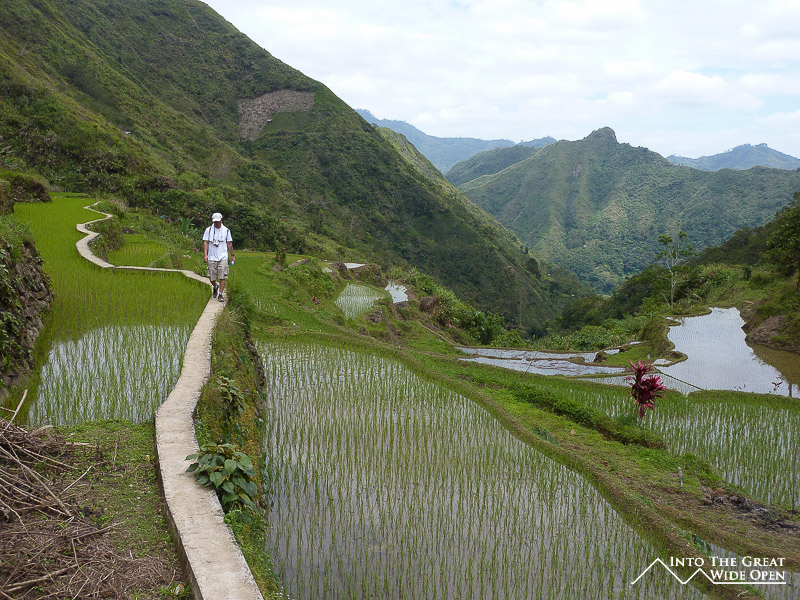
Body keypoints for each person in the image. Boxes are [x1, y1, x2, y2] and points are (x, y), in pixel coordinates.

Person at [202, 212, 234, 302]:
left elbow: (229, 243)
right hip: (212, 256)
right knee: (211, 277)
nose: (216, 223)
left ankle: (220, 294)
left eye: (218, 221)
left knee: (222, 276)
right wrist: (205, 254)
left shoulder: (226, 230)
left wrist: (232, 255)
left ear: (221, 220)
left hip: (223, 256)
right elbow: (206, 242)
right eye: (215, 222)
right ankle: (215, 286)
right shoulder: (208, 230)